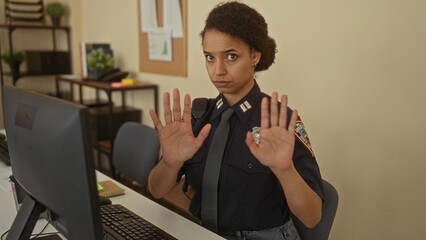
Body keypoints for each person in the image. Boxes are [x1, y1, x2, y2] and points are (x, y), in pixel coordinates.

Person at [148, 2, 324, 239]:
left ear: (254, 55)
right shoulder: (198, 117)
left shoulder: (279, 122)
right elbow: (156, 190)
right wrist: (170, 162)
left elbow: (313, 217)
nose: (218, 70)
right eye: (210, 57)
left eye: (231, 56)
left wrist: (285, 170)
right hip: (202, 232)